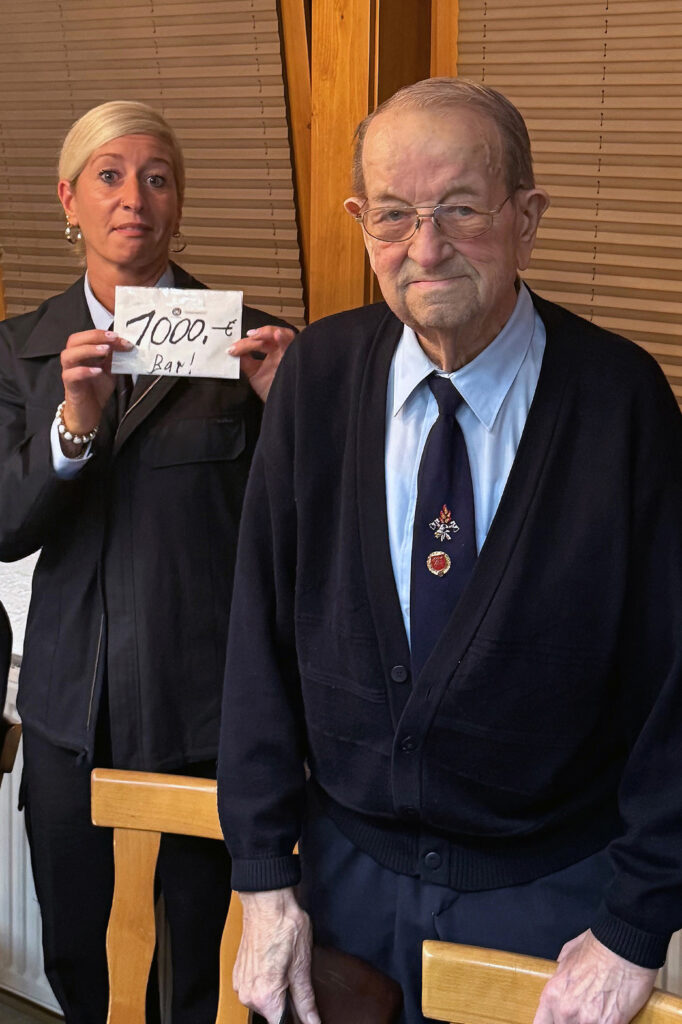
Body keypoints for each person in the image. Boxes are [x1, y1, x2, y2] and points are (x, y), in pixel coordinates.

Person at [216, 78, 682, 1024]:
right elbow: (258, 637)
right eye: (394, 214)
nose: (425, 248)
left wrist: (638, 923)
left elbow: (676, 681)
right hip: (340, 888)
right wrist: (263, 878)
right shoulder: (316, 377)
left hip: (549, 901)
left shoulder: (622, 401)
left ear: (526, 218)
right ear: (361, 223)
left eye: (461, 210)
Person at [0, 100, 295, 1024]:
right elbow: (5, 525)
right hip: (66, 711)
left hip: (206, 707)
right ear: (69, 201)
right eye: (110, 176)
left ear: (179, 201)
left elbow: (309, 532)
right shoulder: (19, 350)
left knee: (199, 964)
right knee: (76, 954)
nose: (135, 197)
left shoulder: (251, 345)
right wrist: (71, 429)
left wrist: (294, 413)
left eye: (157, 178)